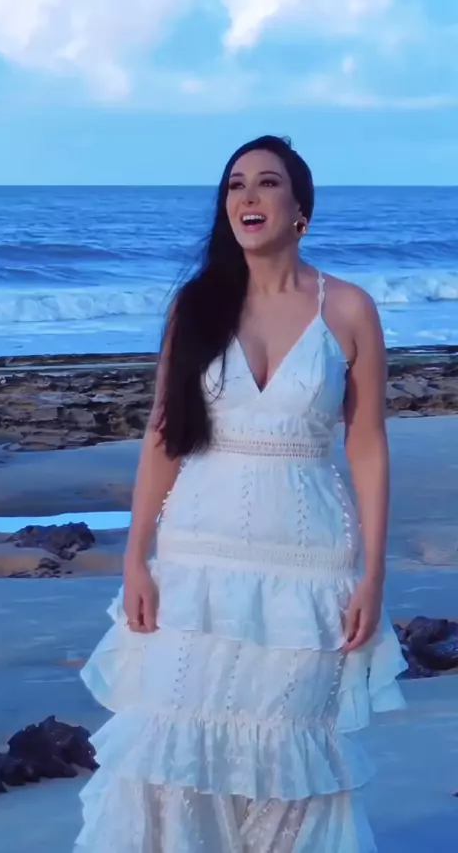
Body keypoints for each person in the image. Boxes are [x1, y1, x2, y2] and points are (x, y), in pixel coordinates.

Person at [74, 135, 407, 852]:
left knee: (288, 756)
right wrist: (135, 558)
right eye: (234, 185)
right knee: (169, 743)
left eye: (267, 183)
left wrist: (373, 576)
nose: (247, 197)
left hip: (310, 563)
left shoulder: (349, 309)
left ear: (300, 209)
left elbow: (368, 444)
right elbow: (163, 435)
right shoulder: (196, 307)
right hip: (196, 558)